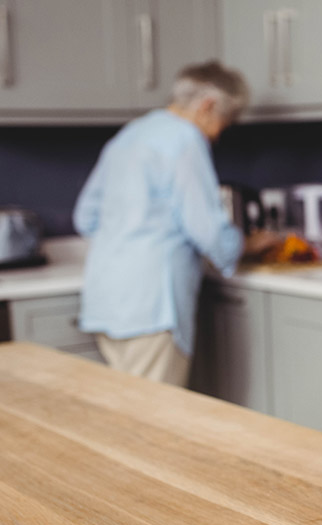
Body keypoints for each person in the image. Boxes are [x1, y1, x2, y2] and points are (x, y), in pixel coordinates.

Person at [74, 61, 266, 386]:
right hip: (152, 306)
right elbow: (207, 229)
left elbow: (86, 217)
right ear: (208, 106)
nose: (220, 133)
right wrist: (247, 244)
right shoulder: (185, 140)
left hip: (105, 298)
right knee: (153, 423)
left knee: (124, 412)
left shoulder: (131, 133)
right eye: (226, 121)